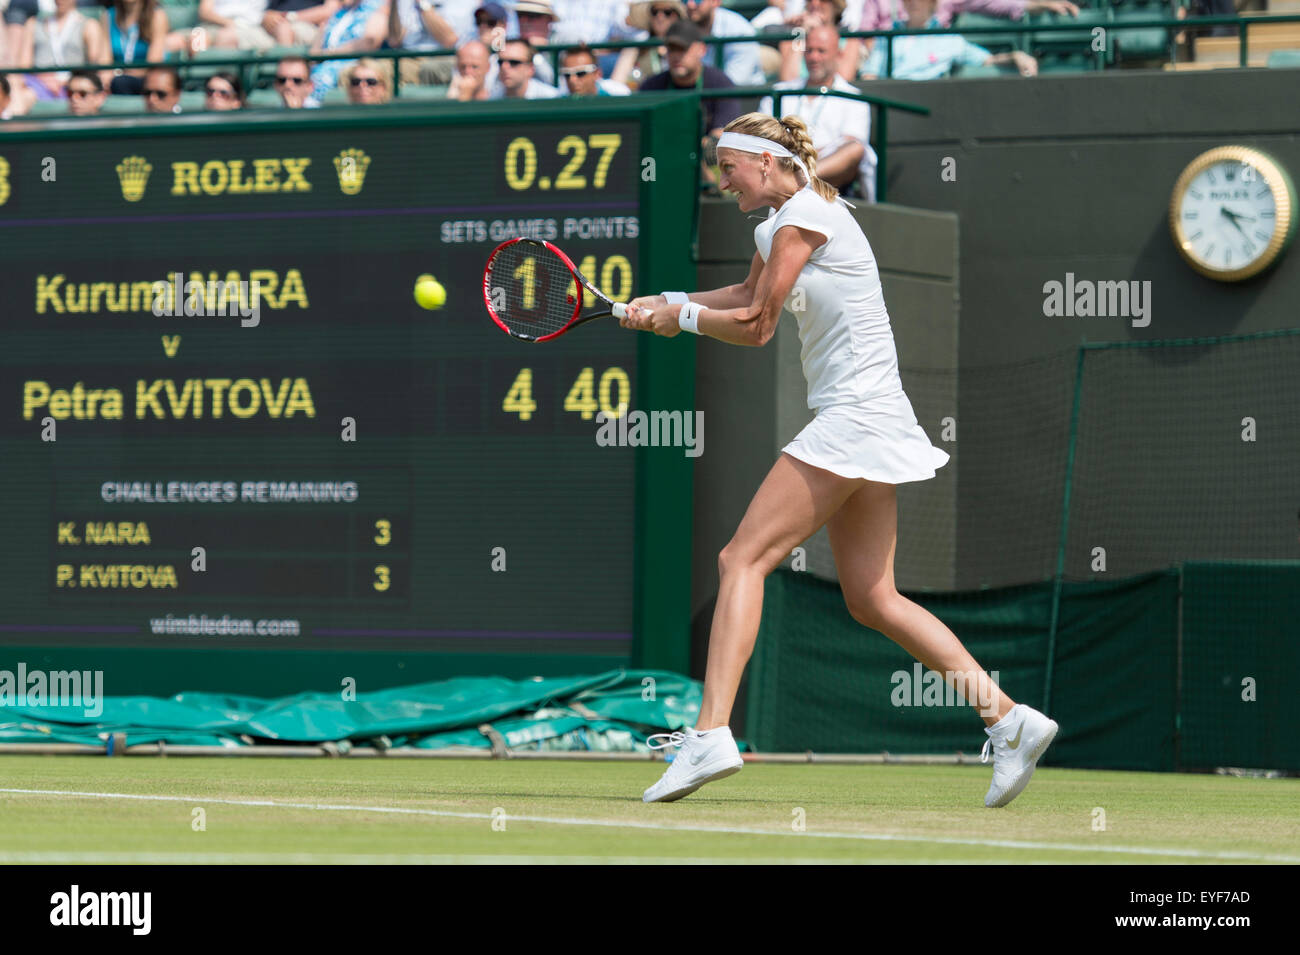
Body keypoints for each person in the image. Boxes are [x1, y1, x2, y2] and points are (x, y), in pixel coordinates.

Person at [622, 111, 1059, 806]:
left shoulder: (800, 216)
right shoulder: (790, 217)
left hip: (856, 415)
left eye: (726, 164)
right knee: (873, 597)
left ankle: (710, 735)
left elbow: (759, 324)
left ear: (766, 164)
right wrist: (669, 302)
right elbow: (743, 295)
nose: (720, 177)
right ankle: (1006, 718)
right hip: (870, 415)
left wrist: (683, 321)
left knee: (742, 558)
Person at [760, 23, 875, 200]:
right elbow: (762, 136)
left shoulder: (854, 97)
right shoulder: (779, 91)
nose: (814, 57)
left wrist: (804, 161)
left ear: (838, 55)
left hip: (827, 181)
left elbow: (852, 148)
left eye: (821, 51)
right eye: (809, 50)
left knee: (855, 149)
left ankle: (796, 180)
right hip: (781, 165)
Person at [860, 0, 1037, 78]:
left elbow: (985, 59)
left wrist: (1015, 56)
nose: (912, 2)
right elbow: (870, 74)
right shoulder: (887, 37)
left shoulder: (948, 40)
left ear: (932, 3)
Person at [637, 19, 740, 141]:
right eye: (671, 49)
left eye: (682, 49)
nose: (676, 56)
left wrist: (705, 146)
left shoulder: (720, 84)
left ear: (702, 49)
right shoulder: (651, 87)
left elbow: (724, 135)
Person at [17, 0, 104, 105]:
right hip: (38, 85)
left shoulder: (89, 25)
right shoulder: (33, 23)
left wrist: (66, 82)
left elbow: (93, 66)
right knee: (19, 91)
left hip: (73, 85)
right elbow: (23, 65)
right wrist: (44, 78)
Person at [305, 0, 387, 106]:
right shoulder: (339, 12)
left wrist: (329, 54)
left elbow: (369, 42)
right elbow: (314, 52)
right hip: (319, 70)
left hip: (351, 66)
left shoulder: (377, 8)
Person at [386, 0, 477, 86]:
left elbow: (449, 40)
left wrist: (423, 4)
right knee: (377, 69)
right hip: (408, 57)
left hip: (446, 57)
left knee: (429, 69)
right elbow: (394, 40)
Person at [684, 0, 762, 86]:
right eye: (685, 0)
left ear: (715, 2)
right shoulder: (680, 26)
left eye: (698, 0)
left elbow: (732, 84)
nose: (690, 4)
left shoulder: (739, 30)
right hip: (699, 93)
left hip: (744, 96)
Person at [98, 0, 169, 95]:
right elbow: (104, 60)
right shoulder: (107, 16)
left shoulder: (157, 15)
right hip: (116, 79)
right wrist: (106, 78)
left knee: (121, 83)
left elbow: (153, 63)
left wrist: (119, 75)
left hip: (145, 78)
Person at [611, 0, 681, 89]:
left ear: (676, 16)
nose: (660, 17)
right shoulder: (638, 46)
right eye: (654, 12)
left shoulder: (685, 47)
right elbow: (616, 83)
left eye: (667, 12)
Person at [488, 36, 558, 98]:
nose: (504, 67)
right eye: (500, 62)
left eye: (514, 62)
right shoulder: (491, 98)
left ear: (531, 69)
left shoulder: (550, 98)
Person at [559, 43, 627, 96]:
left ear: (597, 74)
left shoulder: (617, 93)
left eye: (580, 73)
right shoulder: (558, 99)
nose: (572, 80)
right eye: (567, 74)